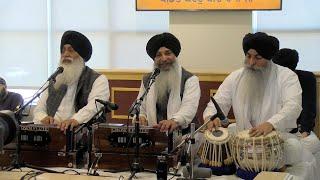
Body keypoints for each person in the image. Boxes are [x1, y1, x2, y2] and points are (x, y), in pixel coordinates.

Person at [203, 32, 302, 136]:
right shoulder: (235, 77)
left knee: (293, 147)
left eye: (258, 58)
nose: (251, 63)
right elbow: (218, 102)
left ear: (269, 58)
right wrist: (210, 117)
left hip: (279, 140)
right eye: (248, 56)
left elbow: (293, 106)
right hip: (244, 142)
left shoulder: (287, 76)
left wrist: (271, 123)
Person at [33, 30, 110, 131]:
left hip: (82, 134)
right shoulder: (55, 79)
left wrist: (75, 120)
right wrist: (43, 118)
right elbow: (39, 108)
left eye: (71, 50)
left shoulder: (98, 80)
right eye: (63, 50)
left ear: (81, 55)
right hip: (53, 135)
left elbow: (94, 107)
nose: (65, 54)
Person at [136, 32, 201, 134]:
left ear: (175, 55)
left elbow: (189, 109)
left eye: (168, 53)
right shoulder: (148, 79)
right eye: (158, 55)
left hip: (185, 135)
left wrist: (174, 121)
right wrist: (141, 117)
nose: (164, 58)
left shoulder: (190, 79)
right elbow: (141, 107)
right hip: (155, 136)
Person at [273, 48, 320, 154]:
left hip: (297, 128)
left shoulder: (306, 78)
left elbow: (308, 106)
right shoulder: (270, 79)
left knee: (311, 144)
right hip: (274, 126)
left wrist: (305, 131)